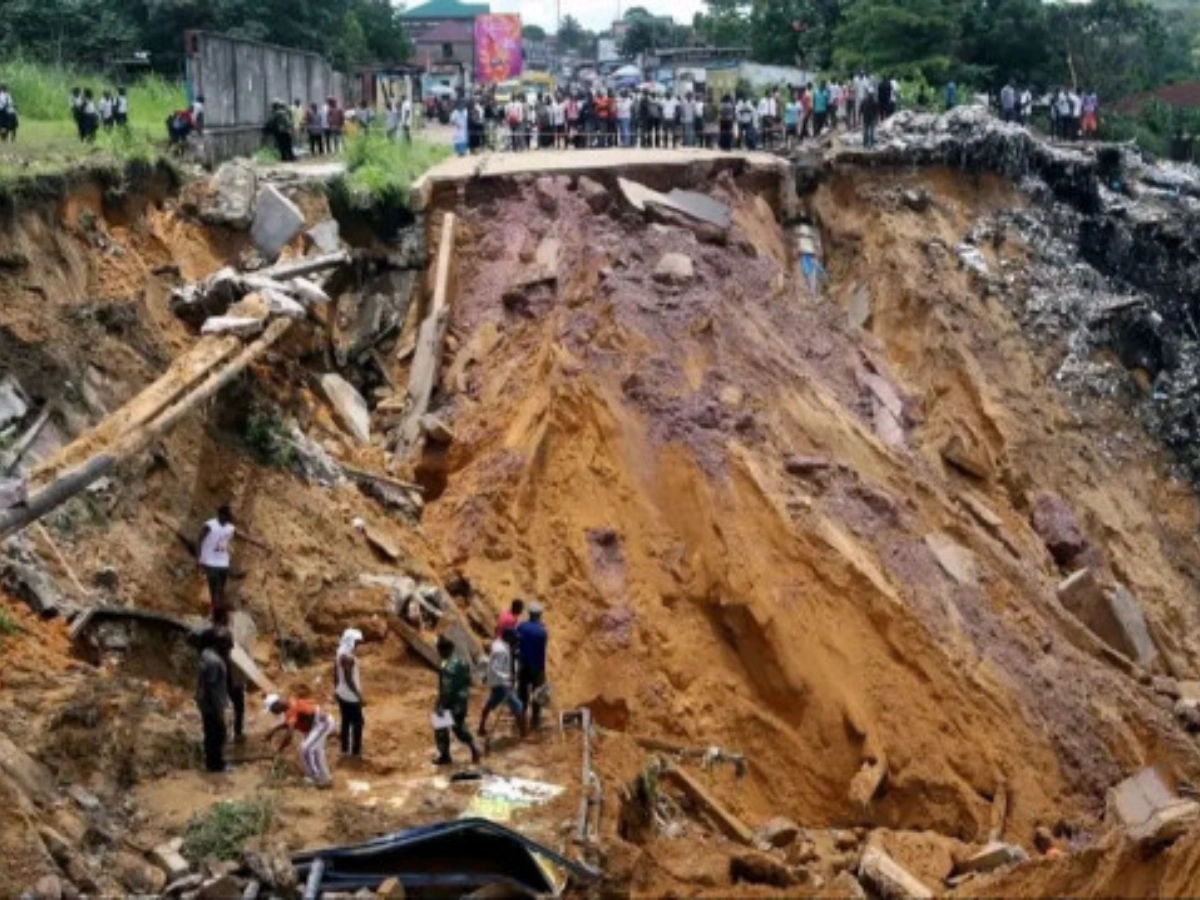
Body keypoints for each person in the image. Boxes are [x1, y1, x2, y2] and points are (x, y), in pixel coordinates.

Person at [265, 694, 334, 787]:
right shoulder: (288, 706)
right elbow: (288, 723)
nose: (273, 712)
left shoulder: (292, 707)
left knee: (306, 749)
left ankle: (317, 778)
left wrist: (280, 749)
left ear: (276, 705)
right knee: (315, 751)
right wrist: (273, 731)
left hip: (321, 723)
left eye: (272, 709)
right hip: (315, 726)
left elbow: (289, 735)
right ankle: (324, 778)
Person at [433, 635, 481, 765]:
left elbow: (446, 689)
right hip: (462, 700)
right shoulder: (462, 661)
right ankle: (473, 748)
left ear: (443, 650)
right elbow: (468, 680)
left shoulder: (446, 666)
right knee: (459, 727)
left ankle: (445, 755)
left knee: (441, 728)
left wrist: (441, 705)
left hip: (450, 703)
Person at [195, 627, 232, 773]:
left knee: (210, 733)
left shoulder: (205, 654)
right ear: (220, 644)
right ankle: (216, 765)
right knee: (218, 734)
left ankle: (211, 762)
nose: (231, 647)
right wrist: (219, 712)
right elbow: (213, 689)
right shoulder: (215, 662)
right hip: (212, 704)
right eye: (228, 644)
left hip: (204, 702)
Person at [479, 627, 524, 738]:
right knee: (519, 706)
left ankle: (481, 727)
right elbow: (496, 668)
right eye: (514, 638)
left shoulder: (499, 644)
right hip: (502, 683)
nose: (515, 641)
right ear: (508, 638)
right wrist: (509, 677)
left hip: (497, 682)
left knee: (490, 703)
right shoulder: (501, 651)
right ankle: (523, 733)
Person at [516, 602, 549, 732]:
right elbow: (543, 646)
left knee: (522, 693)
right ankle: (535, 721)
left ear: (529, 614)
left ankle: (522, 720)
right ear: (540, 615)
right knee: (538, 693)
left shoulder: (521, 627)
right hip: (538, 666)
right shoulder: (542, 632)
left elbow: (518, 642)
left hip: (523, 665)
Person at [335, 628, 365, 758]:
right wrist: (359, 696)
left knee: (346, 721)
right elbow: (348, 679)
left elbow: (335, 673)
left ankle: (344, 750)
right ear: (351, 641)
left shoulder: (339, 652)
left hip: (342, 693)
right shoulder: (347, 657)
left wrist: (336, 688)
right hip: (350, 696)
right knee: (358, 723)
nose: (358, 645)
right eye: (356, 642)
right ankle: (356, 752)